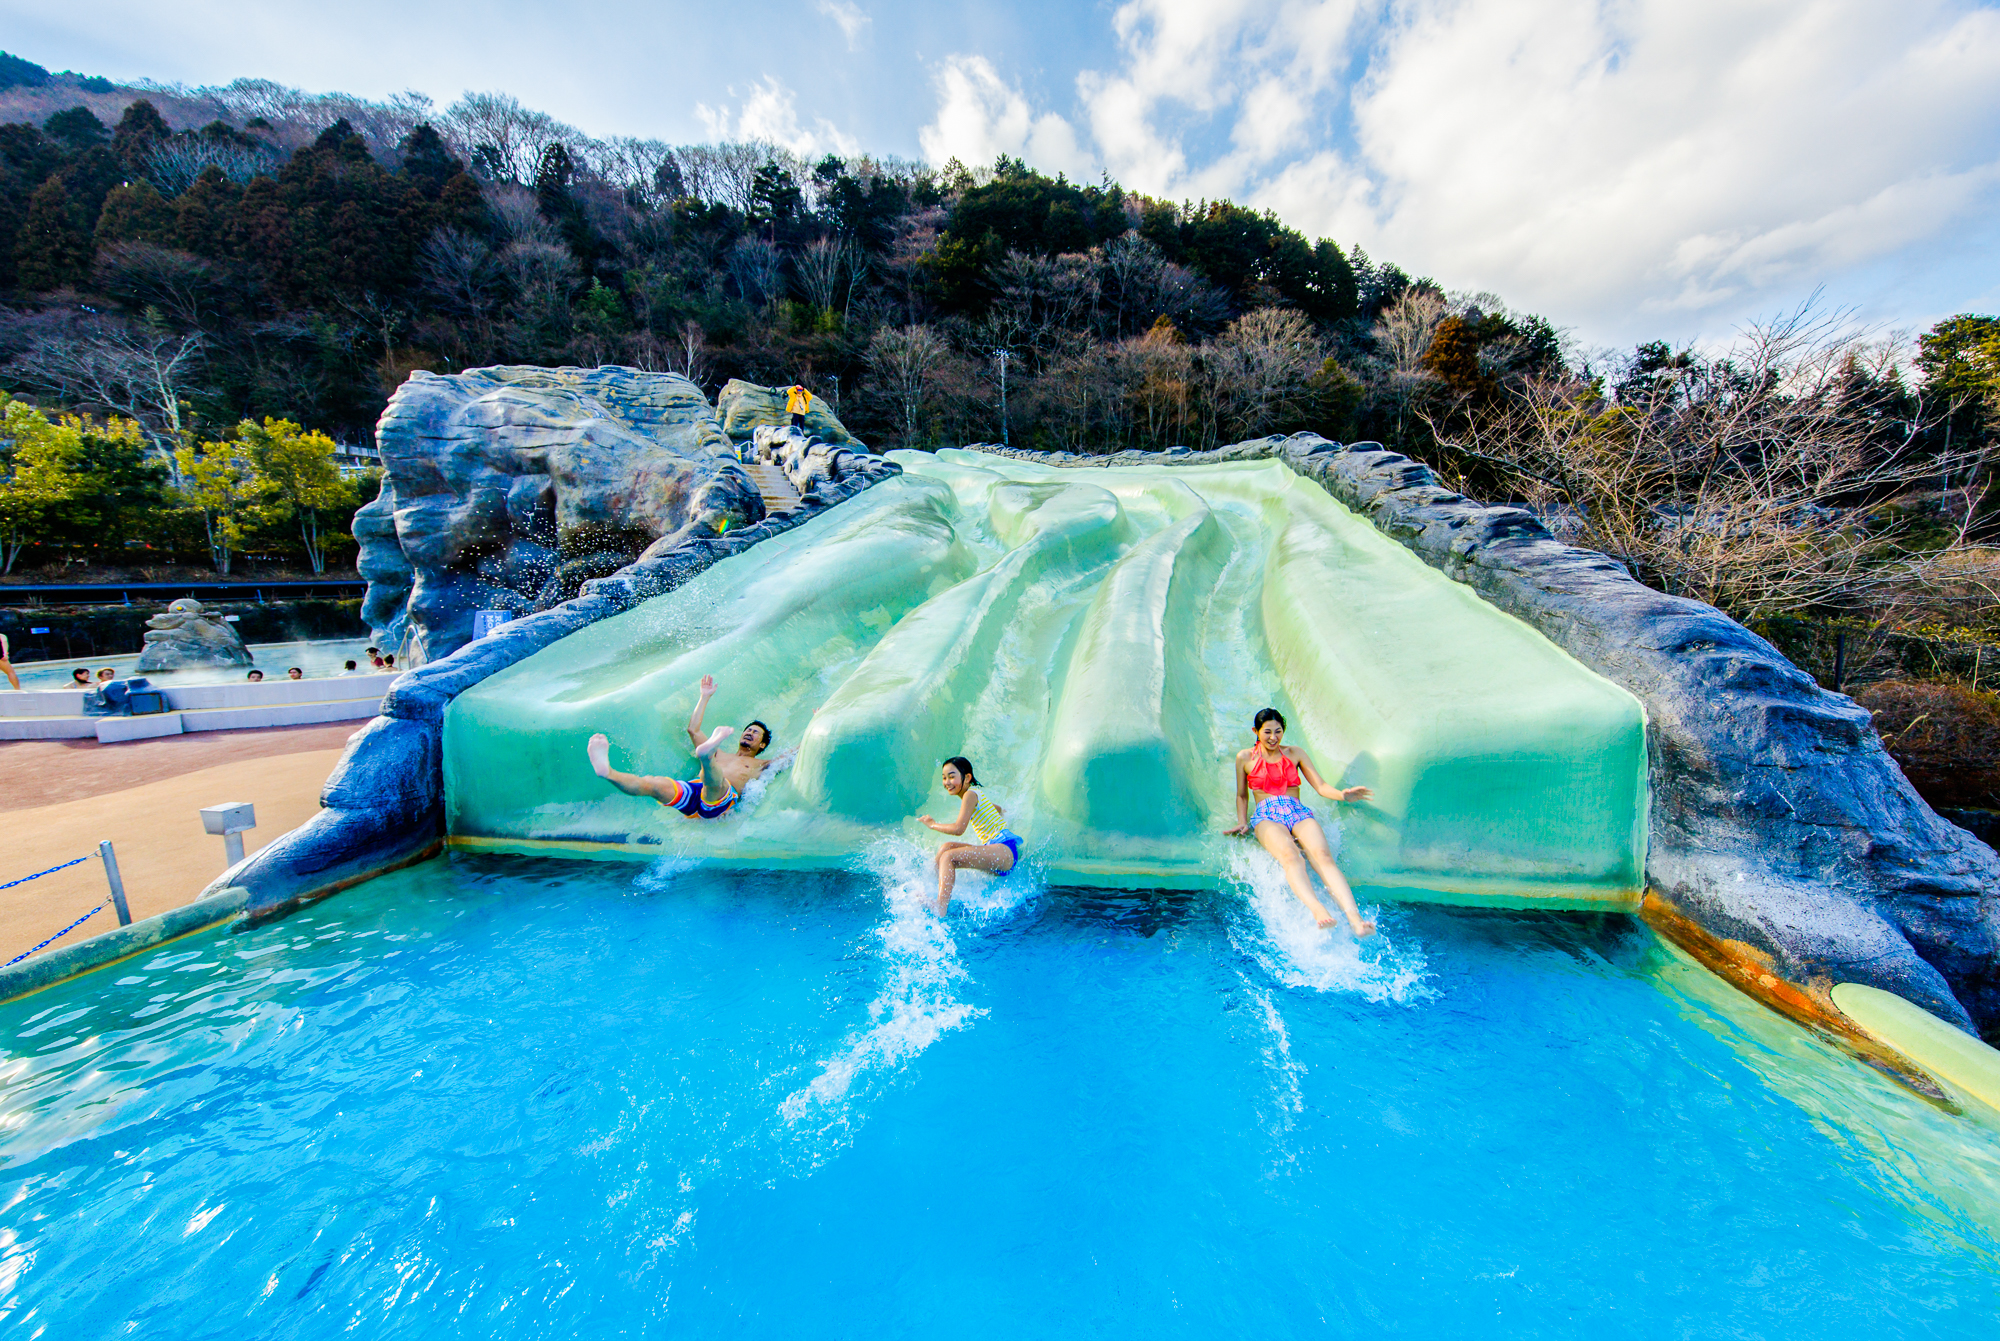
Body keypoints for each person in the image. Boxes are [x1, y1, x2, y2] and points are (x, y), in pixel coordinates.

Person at [1226, 707, 1377, 936]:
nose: (1273, 737)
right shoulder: (1245, 758)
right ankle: (1318, 909)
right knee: (1291, 856)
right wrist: (1242, 821)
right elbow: (1241, 795)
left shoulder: (1294, 753)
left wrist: (1343, 795)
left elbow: (1321, 786)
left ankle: (1355, 919)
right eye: (1267, 732)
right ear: (1256, 731)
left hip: (1297, 811)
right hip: (1267, 815)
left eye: (1278, 731)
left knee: (1323, 857)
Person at [587, 674, 774, 821]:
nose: (749, 732)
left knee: (716, 781)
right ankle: (607, 772)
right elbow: (693, 730)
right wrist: (704, 697)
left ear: (763, 744)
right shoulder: (721, 754)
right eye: (747, 729)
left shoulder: (762, 764)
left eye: (756, 732)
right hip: (694, 794)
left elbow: (797, 752)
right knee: (653, 784)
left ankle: (705, 758)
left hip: (718, 802)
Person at [918, 755, 1023, 917]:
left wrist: (932, 824)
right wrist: (1004, 812)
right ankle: (931, 886)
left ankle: (940, 907)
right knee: (946, 847)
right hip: (998, 850)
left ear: (967, 777)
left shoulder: (969, 795)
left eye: (952, 777)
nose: (947, 782)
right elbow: (995, 808)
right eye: (944, 778)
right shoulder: (976, 793)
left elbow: (959, 828)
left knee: (948, 857)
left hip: (1004, 850)